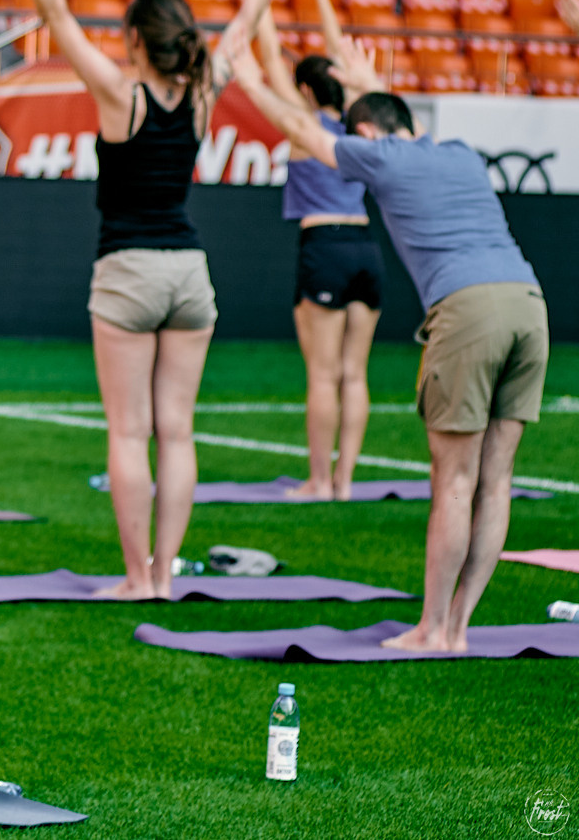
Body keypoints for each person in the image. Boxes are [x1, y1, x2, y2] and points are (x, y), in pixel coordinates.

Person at [0, 0, 315, 599]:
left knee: (129, 433)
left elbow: (53, 10)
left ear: (134, 40)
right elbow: (250, 14)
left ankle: (139, 580)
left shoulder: (119, 93)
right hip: (189, 271)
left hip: (128, 268)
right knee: (178, 431)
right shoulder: (202, 90)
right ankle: (164, 572)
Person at [227, 43, 547, 653]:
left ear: (367, 135)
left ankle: (432, 629)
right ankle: (457, 627)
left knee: (454, 478)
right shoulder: (456, 151)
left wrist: (249, 80)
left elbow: (302, 128)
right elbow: (401, 122)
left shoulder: (376, 155)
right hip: (529, 304)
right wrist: (367, 80)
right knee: (496, 481)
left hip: (468, 307)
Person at [245, 0, 383, 501]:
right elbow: (341, 53)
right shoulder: (360, 121)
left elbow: (269, 56)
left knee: (323, 375)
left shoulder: (305, 123)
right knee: (355, 373)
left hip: (325, 244)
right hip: (366, 247)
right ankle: (344, 482)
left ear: (306, 92)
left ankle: (320, 481)